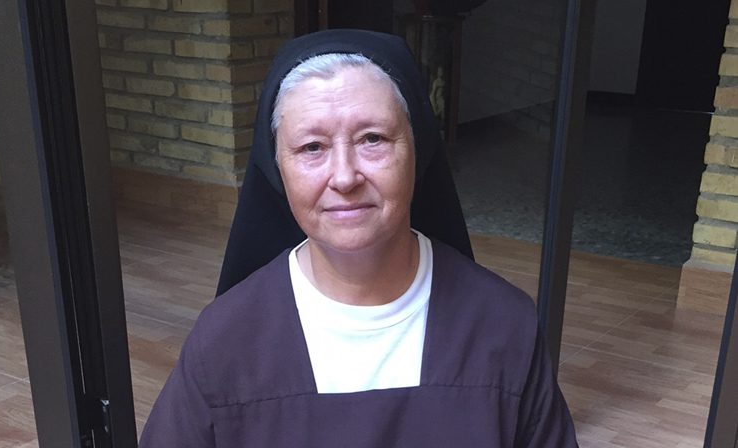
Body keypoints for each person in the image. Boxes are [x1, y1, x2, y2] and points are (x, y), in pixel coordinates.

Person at [139, 29, 578, 447]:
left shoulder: (503, 326)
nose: (345, 177)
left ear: (417, 151)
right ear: (277, 168)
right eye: (312, 147)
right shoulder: (224, 341)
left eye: (372, 139)